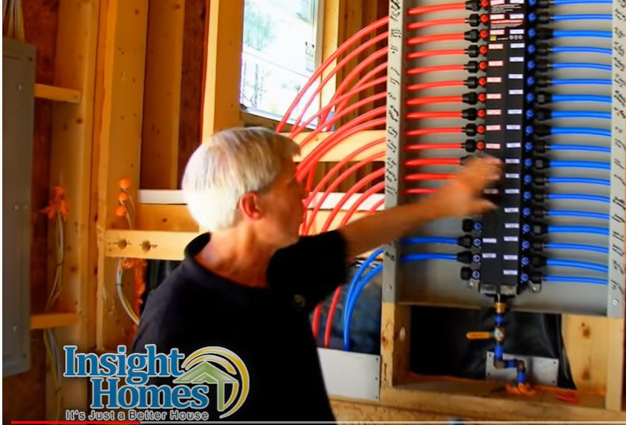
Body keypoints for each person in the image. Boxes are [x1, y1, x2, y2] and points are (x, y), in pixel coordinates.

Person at [131, 127, 501, 421]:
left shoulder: (277, 266)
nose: (304, 193)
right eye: (291, 183)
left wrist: (443, 203)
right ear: (253, 205)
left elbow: (355, 237)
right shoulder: (174, 326)